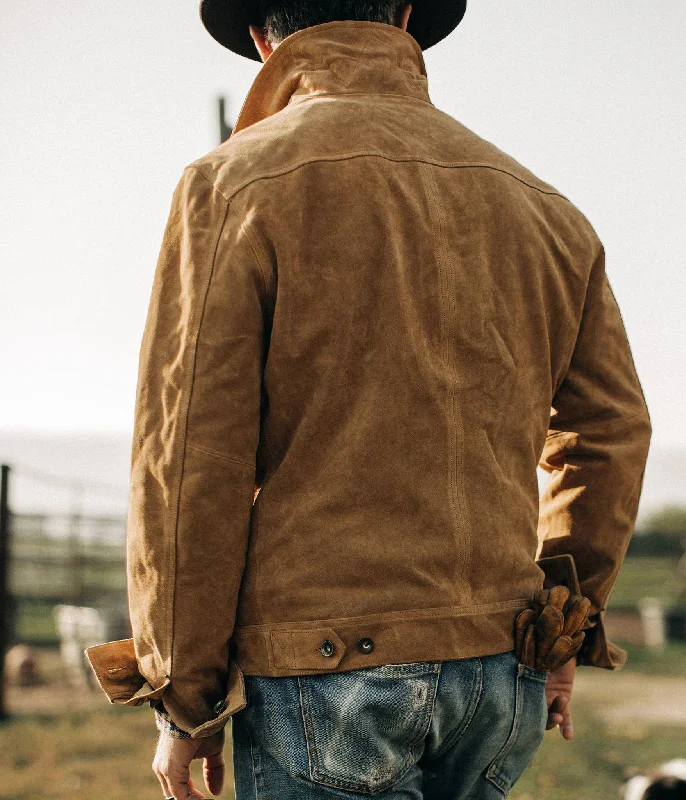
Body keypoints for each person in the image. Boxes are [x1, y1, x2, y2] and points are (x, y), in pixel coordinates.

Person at [85, 1, 652, 798]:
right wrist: (559, 628)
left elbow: (188, 459)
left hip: (321, 670)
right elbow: (611, 432)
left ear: (260, 36)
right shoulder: (545, 208)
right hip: (497, 670)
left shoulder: (233, 183)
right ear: (408, 16)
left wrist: (185, 695)